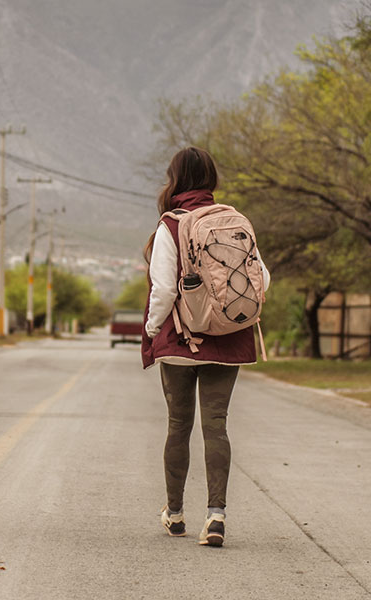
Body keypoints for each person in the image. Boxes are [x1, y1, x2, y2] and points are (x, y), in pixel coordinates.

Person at [141, 146, 270, 547]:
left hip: (182, 338)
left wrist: (150, 327)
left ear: (175, 179)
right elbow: (262, 279)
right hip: (228, 337)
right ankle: (216, 518)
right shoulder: (232, 221)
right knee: (217, 425)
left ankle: (175, 514)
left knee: (179, 426)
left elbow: (163, 288)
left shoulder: (171, 225)